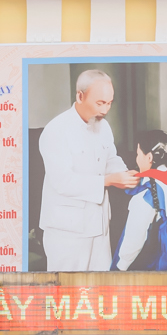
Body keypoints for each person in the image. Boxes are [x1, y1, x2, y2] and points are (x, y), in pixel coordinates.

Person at [37, 67, 138, 271]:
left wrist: (125, 173)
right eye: (100, 103)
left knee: (100, 286)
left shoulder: (103, 126)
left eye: (109, 103)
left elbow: (110, 158)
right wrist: (108, 180)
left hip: (99, 226)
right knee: (68, 287)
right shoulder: (56, 130)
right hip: (67, 232)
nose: (105, 110)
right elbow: (63, 182)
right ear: (80, 96)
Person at [112, 129, 167, 271]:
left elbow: (134, 241)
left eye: (138, 154)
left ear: (150, 157)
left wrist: (120, 267)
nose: (137, 159)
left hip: (146, 265)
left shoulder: (145, 195)